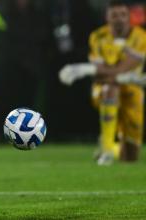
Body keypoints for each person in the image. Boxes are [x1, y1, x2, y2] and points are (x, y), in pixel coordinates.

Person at [59, 0, 146, 165]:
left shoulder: (141, 37)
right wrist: (107, 74)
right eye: (114, 15)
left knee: (130, 157)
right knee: (109, 89)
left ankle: (111, 145)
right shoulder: (97, 37)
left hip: (132, 91)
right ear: (107, 17)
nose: (119, 19)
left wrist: (86, 70)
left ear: (129, 17)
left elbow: (123, 67)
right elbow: (101, 75)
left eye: (123, 15)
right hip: (104, 88)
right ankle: (107, 151)